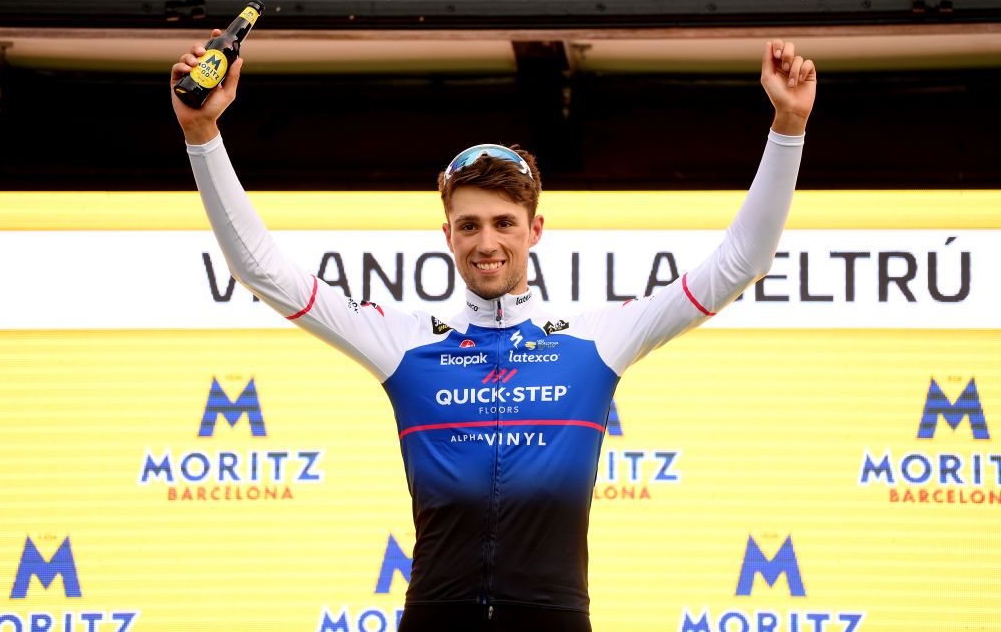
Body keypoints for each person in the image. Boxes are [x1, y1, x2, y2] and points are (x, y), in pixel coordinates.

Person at [171, 36, 816, 632]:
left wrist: (788, 127)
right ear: (447, 236)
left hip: (554, 616)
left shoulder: (597, 339)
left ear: (534, 231)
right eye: (469, 224)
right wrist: (202, 133)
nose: (487, 242)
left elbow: (741, 264)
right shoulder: (404, 341)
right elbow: (262, 270)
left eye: (505, 223)